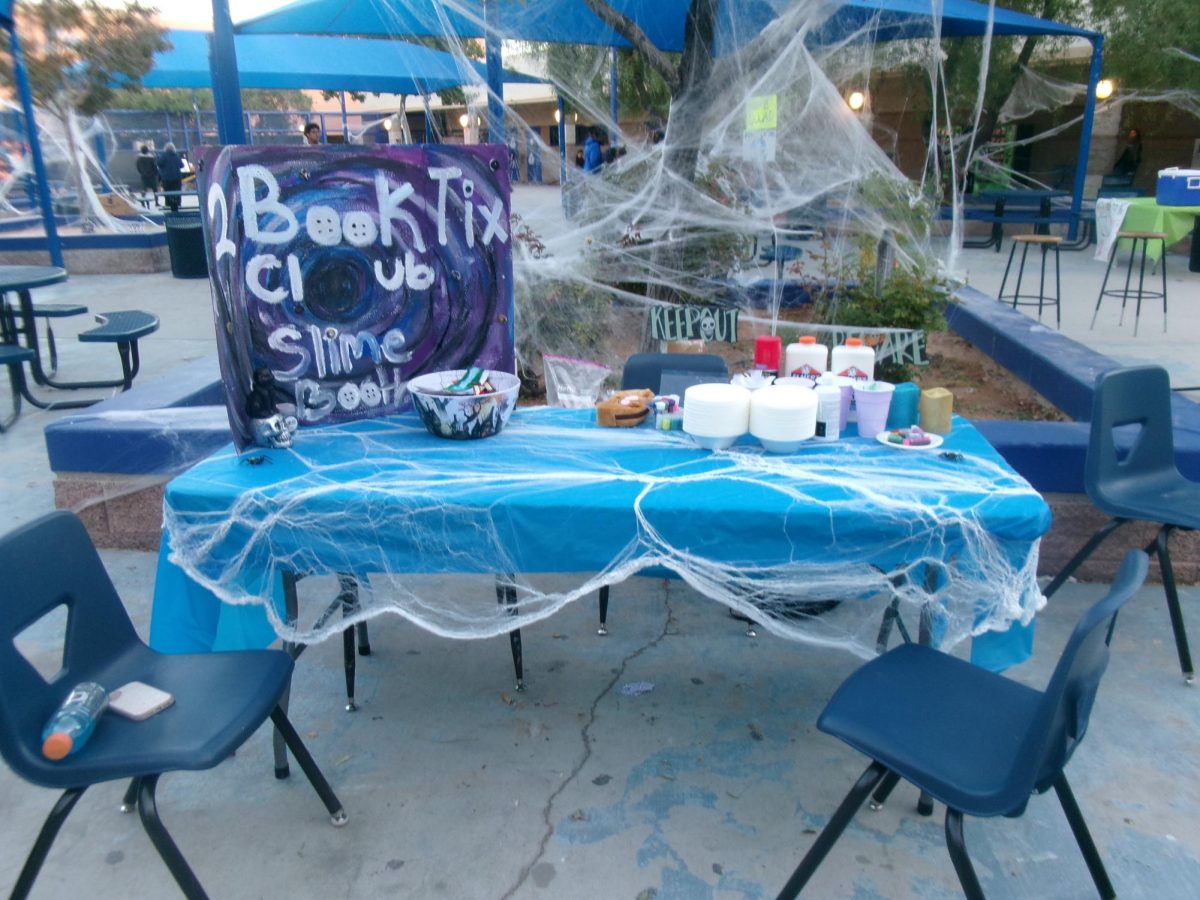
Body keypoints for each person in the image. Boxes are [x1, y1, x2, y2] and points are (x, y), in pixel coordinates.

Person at [156, 142, 184, 212]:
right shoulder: (176, 156)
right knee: (176, 192)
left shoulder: (163, 156)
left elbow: (158, 163)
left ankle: (169, 205)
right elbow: (182, 165)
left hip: (166, 178)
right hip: (177, 178)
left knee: (168, 192)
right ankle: (176, 205)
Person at [135, 143, 158, 209]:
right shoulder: (151, 158)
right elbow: (155, 167)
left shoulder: (139, 159)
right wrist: (155, 173)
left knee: (144, 190)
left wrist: (142, 173)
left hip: (144, 177)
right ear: (147, 150)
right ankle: (156, 202)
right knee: (155, 190)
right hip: (152, 176)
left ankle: (143, 202)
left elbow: (138, 168)